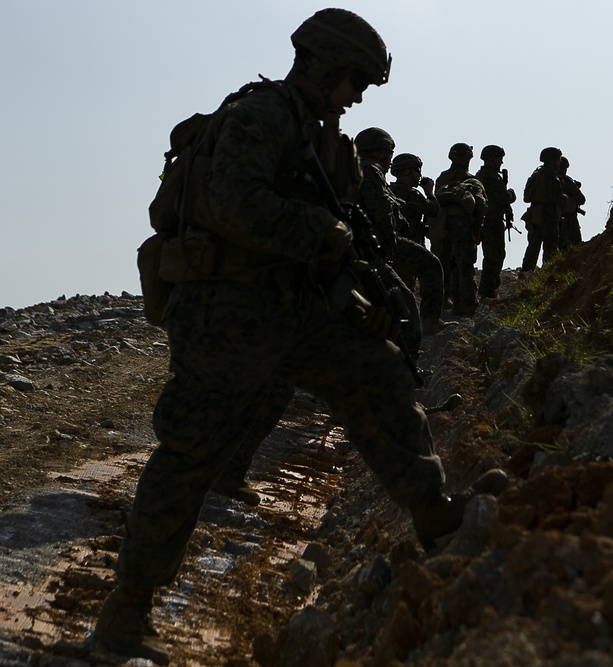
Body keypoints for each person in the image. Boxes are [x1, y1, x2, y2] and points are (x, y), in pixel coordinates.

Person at [93, 10, 505, 664]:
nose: (359, 94)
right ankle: (127, 609)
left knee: (379, 372)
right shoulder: (262, 113)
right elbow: (235, 203)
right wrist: (322, 233)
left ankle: (432, 506)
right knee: (190, 450)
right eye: (355, 80)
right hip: (227, 308)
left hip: (292, 305)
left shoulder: (321, 134)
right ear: (326, 65)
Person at [355, 128, 451, 336]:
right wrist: (391, 240)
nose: (389, 160)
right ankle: (427, 324)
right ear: (381, 152)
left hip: (369, 244)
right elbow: (381, 210)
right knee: (430, 266)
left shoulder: (359, 171)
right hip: (382, 244)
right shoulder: (372, 171)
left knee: (397, 293)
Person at [435, 143, 487, 316]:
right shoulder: (472, 181)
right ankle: (467, 305)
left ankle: (444, 302)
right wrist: (477, 230)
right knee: (464, 266)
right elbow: (480, 206)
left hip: (442, 226)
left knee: (444, 265)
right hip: (462, 227)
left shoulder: (442, 178)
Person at [475, 145, 516, 299]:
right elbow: (504, 198)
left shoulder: (483, 175)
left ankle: (490, 289)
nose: (501, 162)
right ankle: (488, 291)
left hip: (488, 221)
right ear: (492, 159)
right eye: (499, 158)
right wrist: (511, 193)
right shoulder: (491, 177)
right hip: (492, 222)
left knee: (494, 256)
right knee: (494, 256)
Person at [520, 146, 567, 272]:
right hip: (548, 215)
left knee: (533, 246)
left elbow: (526, 197)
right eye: (558, 159)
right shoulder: (551, 176)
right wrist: (566, 199)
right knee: (550, 247)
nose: (560, 162)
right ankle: (548, 274)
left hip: (535, 215)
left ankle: (526, 272)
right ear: (552, 160)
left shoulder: (536, 174)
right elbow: (556, 197)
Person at [558, 155, 586, 249]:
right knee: (576, 245)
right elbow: (581, 199)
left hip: (553, 218)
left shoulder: (549, 179)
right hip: (569, 218)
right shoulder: (566, 181)